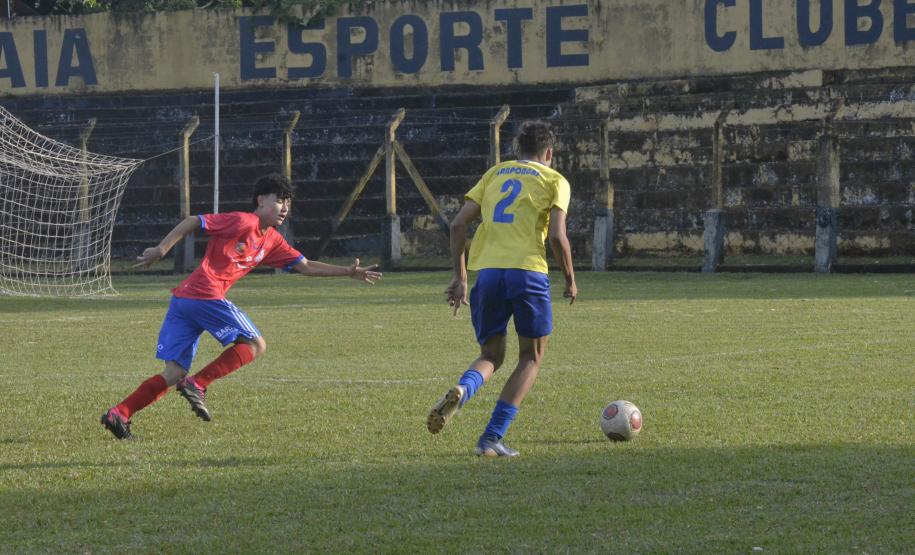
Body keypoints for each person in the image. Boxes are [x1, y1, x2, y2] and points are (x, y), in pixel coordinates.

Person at [101, 173, 382, 440]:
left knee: (174, 373)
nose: (284, 207)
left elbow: (305, 266)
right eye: (279, 199)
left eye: (288, 202)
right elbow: (193, 221)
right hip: (204, 294)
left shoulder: (271, 239)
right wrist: (162, 249)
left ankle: (119, 413)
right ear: (260, 200)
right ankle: (197, 384)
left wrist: (347, 271)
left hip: (185, 300)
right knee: (256, 344)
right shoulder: (242, 221)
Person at [427, 120, 577, 457]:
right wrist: (569, 277)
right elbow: (556, 235)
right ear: (549, 152)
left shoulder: (495, 174)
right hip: (527, 274)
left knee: (491, 355)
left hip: (488, 275)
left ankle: (464, 389)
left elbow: (457, 224)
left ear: (516, 150)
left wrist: (460, 277)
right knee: (532, 357)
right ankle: (491, 439)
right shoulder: (555, 180)